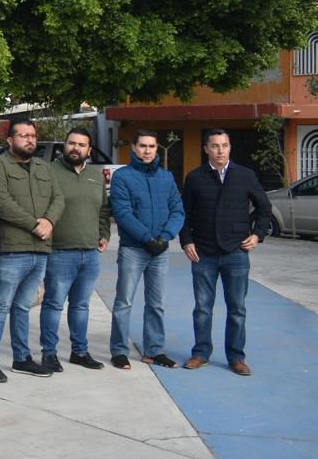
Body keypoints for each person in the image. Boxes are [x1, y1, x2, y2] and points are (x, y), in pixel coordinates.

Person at [179, 129, 270, 376]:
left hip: (236, 253)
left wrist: (258, 234)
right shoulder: (195, 178)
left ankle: (236, 357)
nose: (220, 150)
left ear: (230, 148)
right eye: (215, 146)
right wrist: (186, 241)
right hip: (203, 252)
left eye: (225, 145)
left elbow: (264, 208)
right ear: (206, 149)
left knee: (237, 308)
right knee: (202, 307)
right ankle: (200, 353)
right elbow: (184, 214)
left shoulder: (246, 175)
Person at [0, 120, 65, 382]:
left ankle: (22, 358)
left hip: (40, 250)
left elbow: (58, 198)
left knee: (23, 307)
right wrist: (34, 224)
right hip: (11, 250)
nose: (29, 140)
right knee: (0, 306)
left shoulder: (44, 167)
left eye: (32, 136)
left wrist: (49, 221)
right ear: (9, 140)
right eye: (23, 136)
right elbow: (2, 204)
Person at [109, 130, 185, 370]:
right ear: (133, 147)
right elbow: (122, 213)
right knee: (124, 302)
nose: (147, 151)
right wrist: (146, 238)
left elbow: (177, 210)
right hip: (134, 249)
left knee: (156, 303)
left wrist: (164, 237)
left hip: (160, 251)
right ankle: (119, 351)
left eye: (152, 146)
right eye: (143, 146)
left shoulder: (166, 177)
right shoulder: (122, 177)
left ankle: (154, 350)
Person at [39, 128, 111, 372]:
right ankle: (49, 353)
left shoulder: (95, 175)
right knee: (54, 304)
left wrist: (104, 234)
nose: (76, 148)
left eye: (82, 145)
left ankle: (80, 352)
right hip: (59, 252)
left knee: (81, 306)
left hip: (90, 253)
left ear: (89, 150)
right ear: (64, 146)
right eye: (72, 143)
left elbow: (103, 210)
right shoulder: (49, 172)